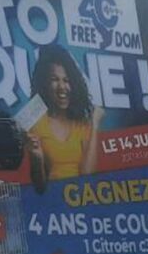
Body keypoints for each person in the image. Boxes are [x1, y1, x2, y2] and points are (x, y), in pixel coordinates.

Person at [26, 46, 104, 192]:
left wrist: (94, 124)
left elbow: (88, 176)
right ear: (44, 83)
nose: (62, 87)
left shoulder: (82, 123)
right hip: (53, 200)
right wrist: (37, 159)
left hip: (81, 198)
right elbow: (39, 187)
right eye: (54, 79)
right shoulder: (34, 121)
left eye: (67, 80)